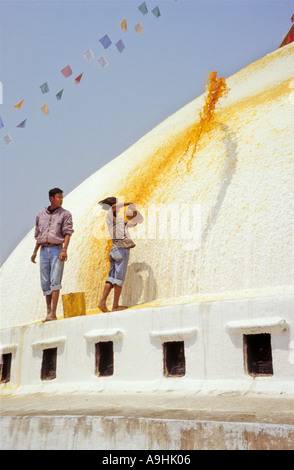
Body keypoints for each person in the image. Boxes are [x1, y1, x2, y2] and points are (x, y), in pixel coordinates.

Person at [31, 188, 74, 322]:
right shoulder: (40, 214)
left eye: (62, 197)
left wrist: (64, 250)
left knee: (55, 280)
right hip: (43, 250)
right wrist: (35, 252)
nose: (61, 199)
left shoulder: (65, 214)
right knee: (45, 282)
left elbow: (68, 232)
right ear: (51, 198)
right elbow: (39, 235)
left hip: (57, 249)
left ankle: (53, 313)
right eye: (58, 197)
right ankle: (48, 311)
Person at [98, 197, 143, 312]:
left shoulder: (117, 219)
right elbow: (113, 207)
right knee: (119, 279)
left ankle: (102, 302)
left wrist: (135, 214)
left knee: (111, 278)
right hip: (121, 250)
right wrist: (129, 202)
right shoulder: (109, 215)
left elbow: (133, 224)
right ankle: (115, 306)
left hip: (114, 250)